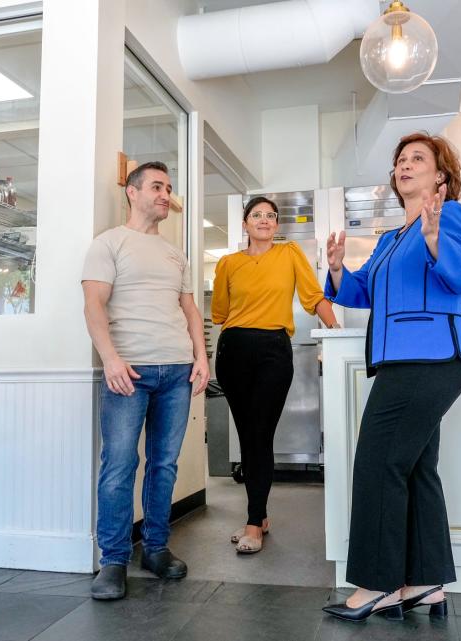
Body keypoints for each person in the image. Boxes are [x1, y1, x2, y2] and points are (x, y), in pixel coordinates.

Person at [321, 133, 461, 622]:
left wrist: (436, 240)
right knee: (415, 469)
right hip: (404, 363)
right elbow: (360, 291)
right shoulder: (391, 238)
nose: (405, 165)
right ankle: (425, 582)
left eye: (417, 158)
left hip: (431, 360)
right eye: (399, 161)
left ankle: (377, 584)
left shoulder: (450, 215)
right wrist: (336, 271)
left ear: (440, 174)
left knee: (378, 463)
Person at [82, 161, 209, 600]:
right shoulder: (108, 244)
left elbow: (190, 310)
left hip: (176, 370)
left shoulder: (177, 254)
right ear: (132, 193)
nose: (165, 194)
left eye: (168, 187)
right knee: (119, 465)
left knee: (164, 464)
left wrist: (201, 358)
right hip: (128, 371)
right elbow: (94, 306)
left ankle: (155, 548)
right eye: (157, 186)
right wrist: (110, 359)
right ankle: (113, 560)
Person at [211, 196, 338, 554]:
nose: (264, 220)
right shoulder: (228, 263)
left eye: (270, 216)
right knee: (248, 434)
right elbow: (219, 313)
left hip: (273, 351)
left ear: (276, 225)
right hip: (233, 351)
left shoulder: (290, 253)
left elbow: (313, 297)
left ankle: (254, 523)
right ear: (245, 224)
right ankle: (259, 516)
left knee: (259, 434)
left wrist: (335, 329)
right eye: (257, 215)